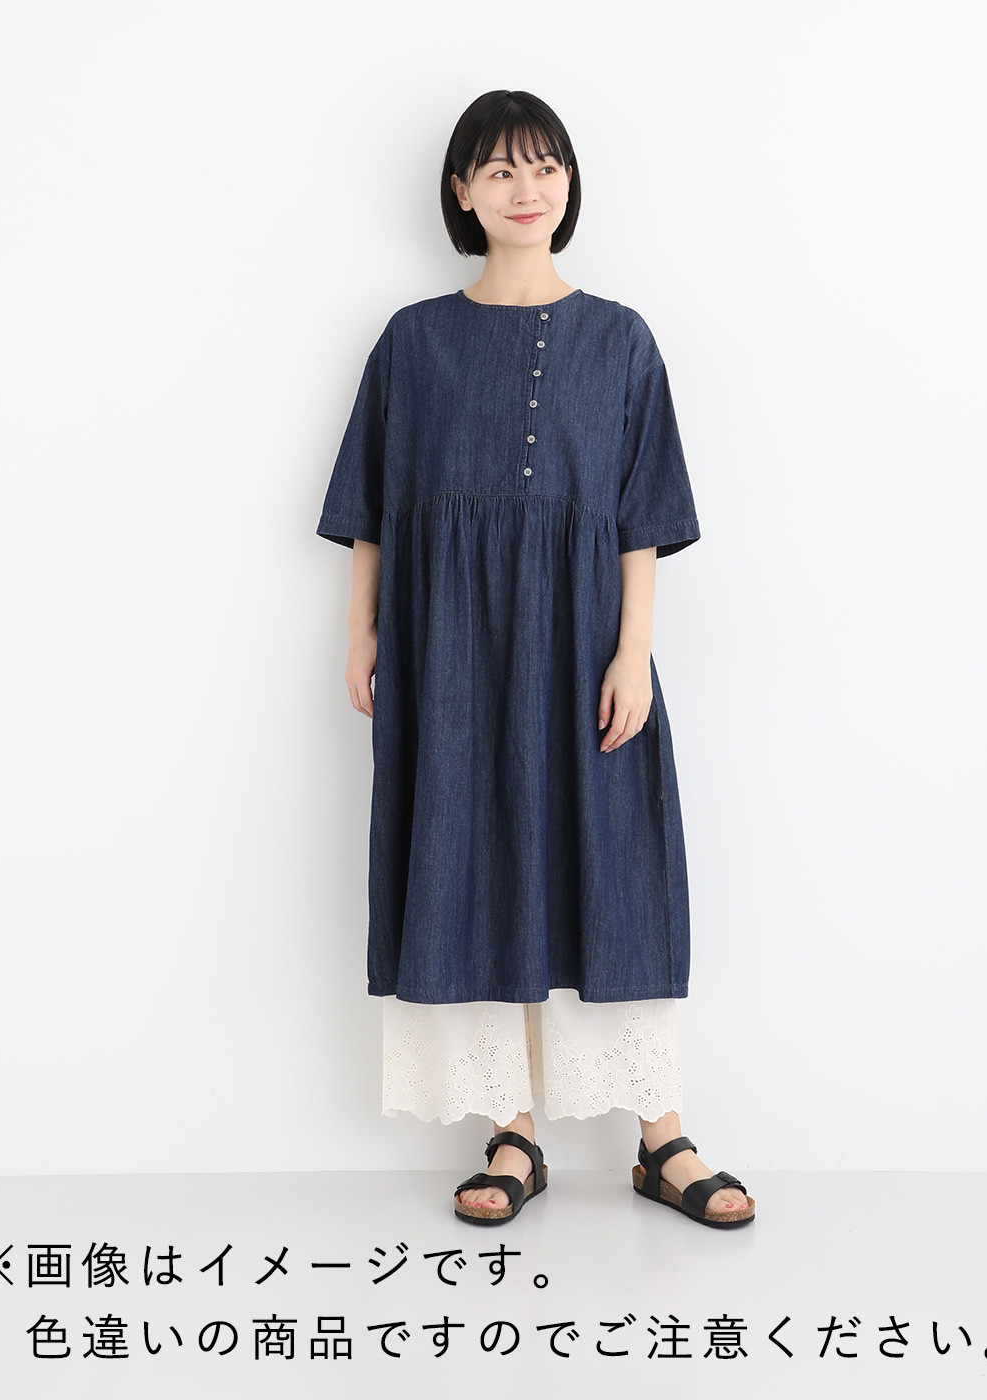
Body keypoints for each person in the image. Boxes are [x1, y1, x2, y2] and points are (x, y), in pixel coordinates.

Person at [317, 90, 755, 1231]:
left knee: (614, 860)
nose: (528, 187)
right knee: (465, 857)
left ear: (569, 184)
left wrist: (634, 652)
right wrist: (361, 633)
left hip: (585, 646)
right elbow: (372, 507)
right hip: (450, 653)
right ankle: (510, 1128)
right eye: (502, 168)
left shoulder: (621, 339)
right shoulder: (413, 340)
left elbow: (643, 515)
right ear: (461, 192)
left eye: (546, 164)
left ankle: (661, 1134)